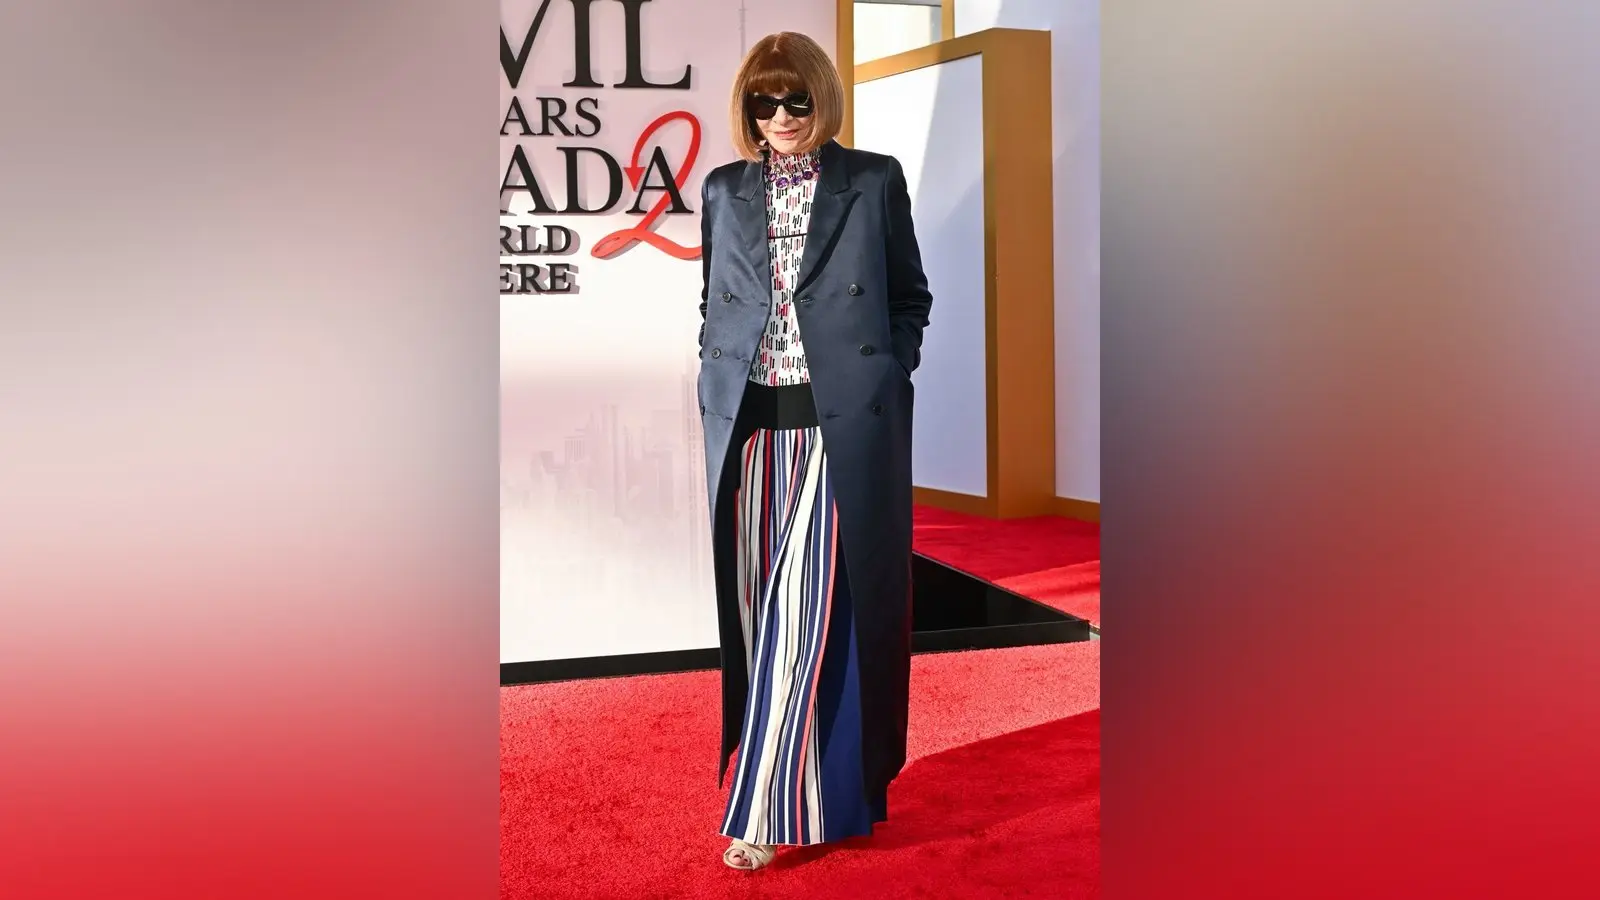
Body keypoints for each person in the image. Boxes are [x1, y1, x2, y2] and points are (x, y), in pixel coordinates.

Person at [695, 31, 933, 871]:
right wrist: (713, 368)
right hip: (750, 431)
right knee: (762, 621)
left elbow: (909, 297)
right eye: (764, 100)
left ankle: (762, 812)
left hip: (842, 431)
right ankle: (823, 789)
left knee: (804, 618)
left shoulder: (872, 180)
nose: (782, 115)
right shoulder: (723, 190)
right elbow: (713, 301)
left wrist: (887, 371)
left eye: (796, 98)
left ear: (821, 98)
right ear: (748, 108)